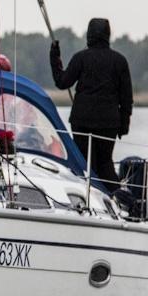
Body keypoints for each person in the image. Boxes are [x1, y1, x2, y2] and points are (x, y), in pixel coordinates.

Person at [49, 18, 133, 192]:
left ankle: (87, 197)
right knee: (105, 163)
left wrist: (54, 59)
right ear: (108, 35)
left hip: (82, 120)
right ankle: (118, 199)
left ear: (89, 35)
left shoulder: (81, 58)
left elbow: (62, 82)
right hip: (109, 123)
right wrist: (124, 126)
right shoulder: (120, 61)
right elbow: (126, 98)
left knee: (84, 164)